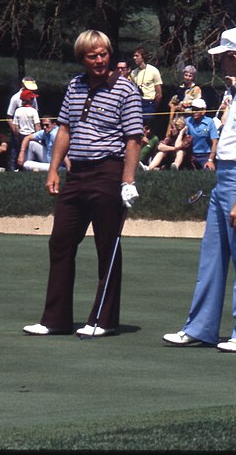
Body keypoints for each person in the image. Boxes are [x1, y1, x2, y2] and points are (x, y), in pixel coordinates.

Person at [163, 25, 236, 353]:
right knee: (212, 255)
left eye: (223, 59)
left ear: (234, 57)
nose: (220, 65)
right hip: (226, 177)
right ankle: (201, 328)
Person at [23, 29, 142, 338]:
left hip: (109, 171)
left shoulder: (126, 89)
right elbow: (64, 129)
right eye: (93, 55)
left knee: (107, 246)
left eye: (104, 54)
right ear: (82, 59)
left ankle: (103, 320)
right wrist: (52, 171)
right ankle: (55, 319)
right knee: (60, 241)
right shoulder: (75, 86)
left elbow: (133, 138)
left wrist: (127, 181)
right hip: (76, 174)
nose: (100, 60)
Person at [6, 76, 39, 171]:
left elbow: (35, 112)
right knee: (15, 151)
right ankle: (12, 170)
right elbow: (9, 117)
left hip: (31, 132)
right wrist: (17, 133)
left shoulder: (33, 97)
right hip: (18, 130)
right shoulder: (15, 98)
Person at [185, 98, 218, 171]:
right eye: (193, 109)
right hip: (191, 155)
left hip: (205, 155)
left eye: (197, 110)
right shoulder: (188, 121)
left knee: (209, 170)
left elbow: (215, 142)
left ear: (203, 111)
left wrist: (210, 160)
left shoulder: (210, 122)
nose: (194, 112)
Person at [131, 46, 163, 118]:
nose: (134, 58)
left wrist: (154, 107)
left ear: (143, 57)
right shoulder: (133, 73)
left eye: (137, 56)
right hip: (138, 103)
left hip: (149, 104)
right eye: (134, 56)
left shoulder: (153, 71)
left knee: (148, 128)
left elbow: (159, 94)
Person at [11, 89, 41, 160]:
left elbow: (16, 127)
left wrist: (17, 136)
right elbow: (37, 125)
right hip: (32, 135)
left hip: (21, 135)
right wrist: (38, 136)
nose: (33, 99)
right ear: (29, 100)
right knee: (31, 153)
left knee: (22, 152)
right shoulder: (34, 111)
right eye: (32, 98)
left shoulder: (18, 111)